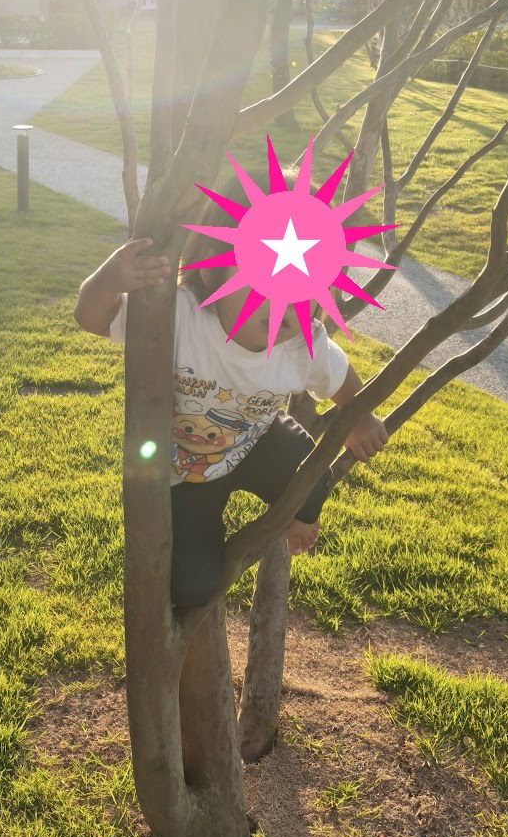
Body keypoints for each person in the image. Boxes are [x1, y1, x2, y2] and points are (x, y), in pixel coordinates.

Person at [75, 224, 390, 610]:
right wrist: (108, 280)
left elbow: (339, 377)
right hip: (185, 471)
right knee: (193, 586)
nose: (284, 303)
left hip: (257, 442)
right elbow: (93, 318)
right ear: (214, 270)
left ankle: (296, 517)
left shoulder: (303, 343)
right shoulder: (181, 315)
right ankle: (209, 554)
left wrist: (359, 418)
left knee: (312, 483)